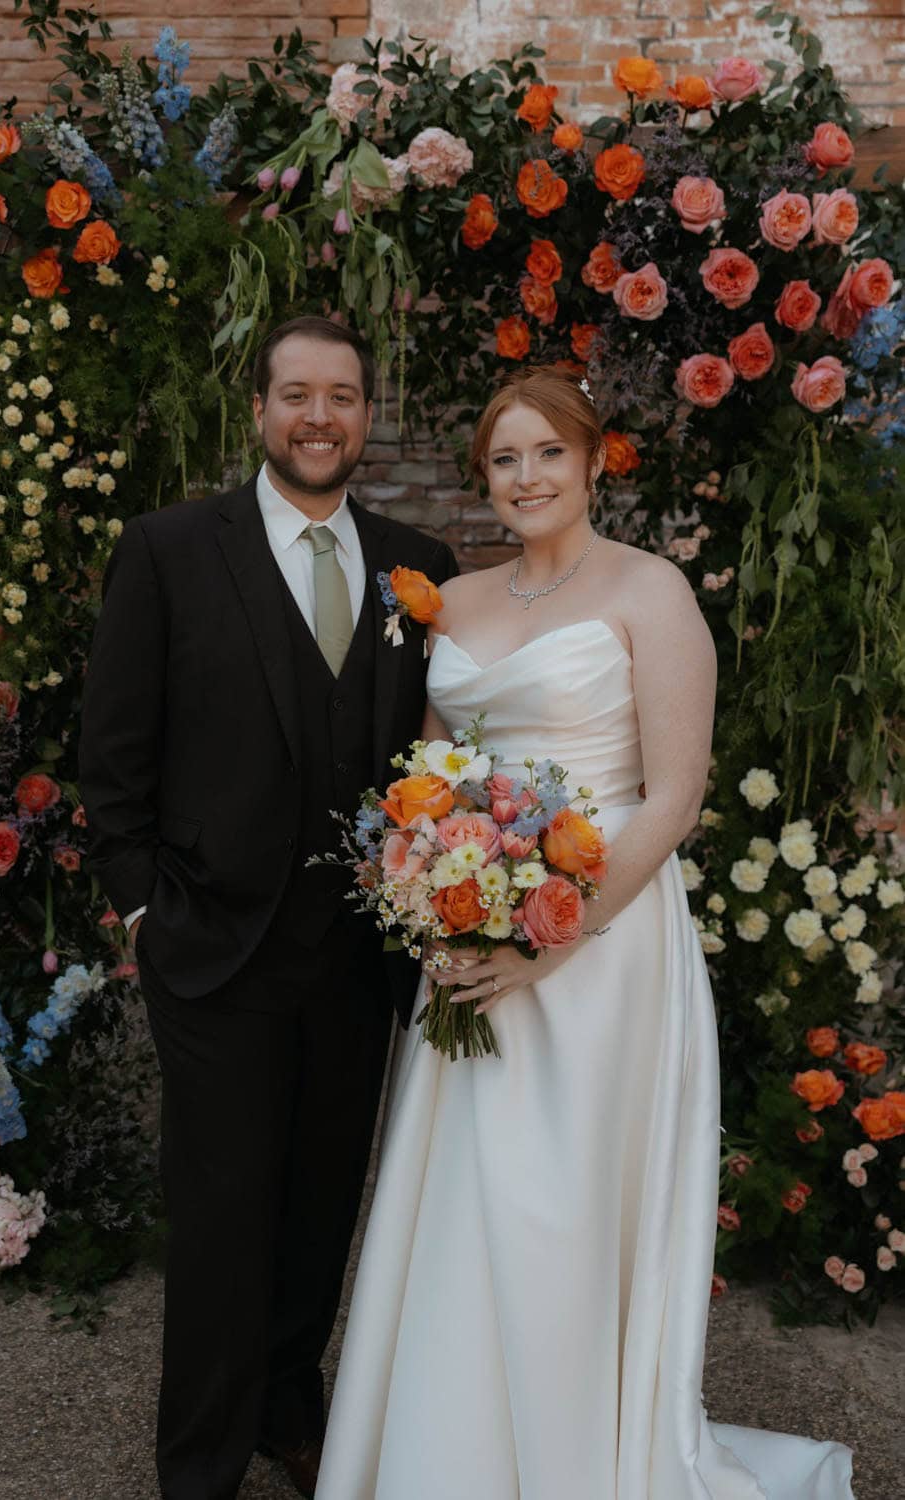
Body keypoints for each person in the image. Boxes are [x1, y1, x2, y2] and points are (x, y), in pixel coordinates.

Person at [313, 367, 856, 1499]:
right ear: (485, 479)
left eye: (547, 455)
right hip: (467, 934)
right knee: (461, 1192)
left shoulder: (649, 594)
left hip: (602, 948)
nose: (526, 478)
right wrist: (427, 906)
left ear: (592, 460)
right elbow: (426, 781)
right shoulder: (454, 603)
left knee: (557, 1201)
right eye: (503, 460)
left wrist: (547, 941)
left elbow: (671, 798)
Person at [78, 315, 458, 1500]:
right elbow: (114, 760)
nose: (319, 417)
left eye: (342, 397)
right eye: (296, 393)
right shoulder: (171, 549)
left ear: (365, 415)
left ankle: (293, 1408)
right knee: (222, 1214)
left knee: (318, 1209)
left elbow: (432, 764)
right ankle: (197, 1464)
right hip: (214, 947)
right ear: (258, 411)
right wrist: (145, 914)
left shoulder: (421, 565)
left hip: (357, 959)